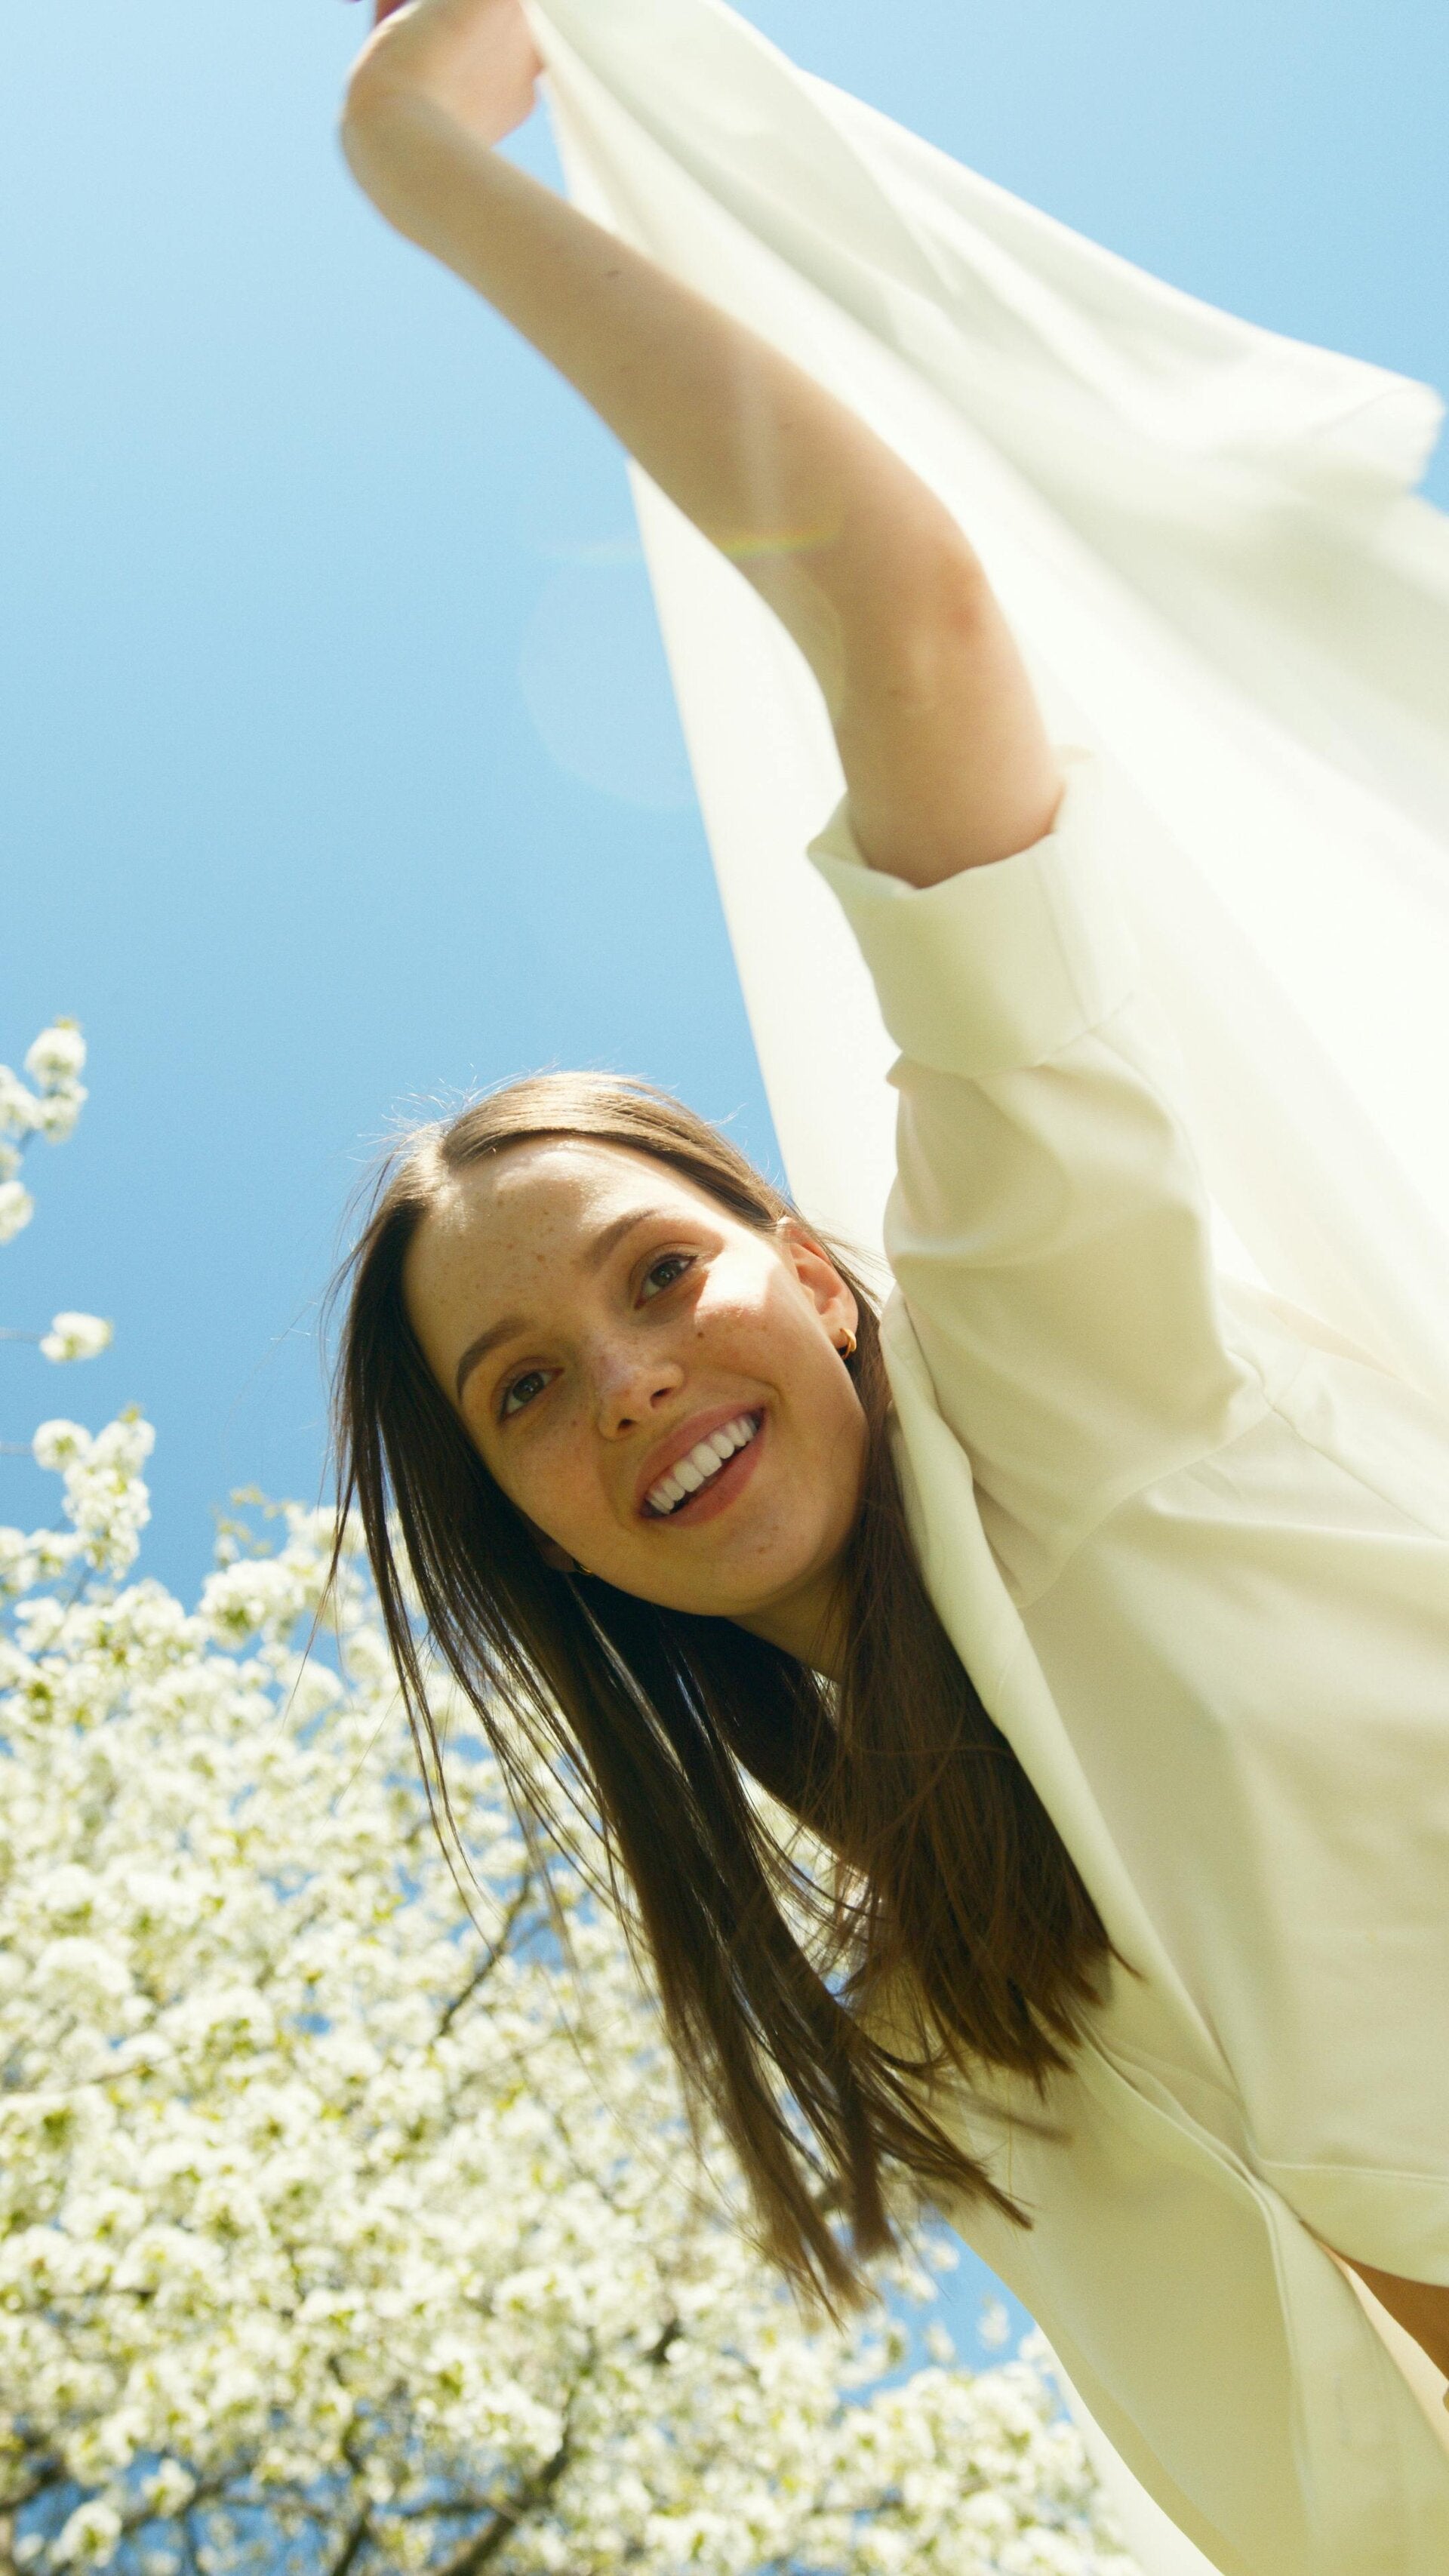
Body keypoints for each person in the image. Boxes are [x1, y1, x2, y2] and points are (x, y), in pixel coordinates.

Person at [334, 0, 1449, 2553]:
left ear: (820, 1276)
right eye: (523, 1392)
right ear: (525, 1530)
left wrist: (427, 172)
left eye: (657, 1274)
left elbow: (909, 616)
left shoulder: (1069, 1363)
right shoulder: (920, 2020)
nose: (628, 1381)